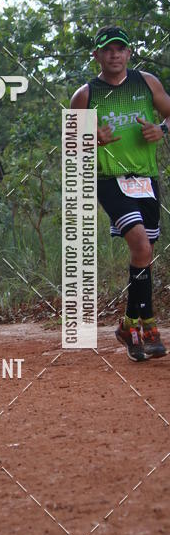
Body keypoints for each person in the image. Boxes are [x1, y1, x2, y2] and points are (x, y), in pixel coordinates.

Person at [70, 26, 170, 361]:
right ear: (96, 55)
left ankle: (133, 325)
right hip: (110, 179)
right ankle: (148, 324)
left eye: (120, 48)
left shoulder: (147, 83)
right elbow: (70, 146)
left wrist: (162, 128)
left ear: (128, 53)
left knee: (145, 255)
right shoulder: (85, 95)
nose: (114, 54)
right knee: (140, 245)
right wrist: (91, 138)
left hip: (146, 178)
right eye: (107, 49)